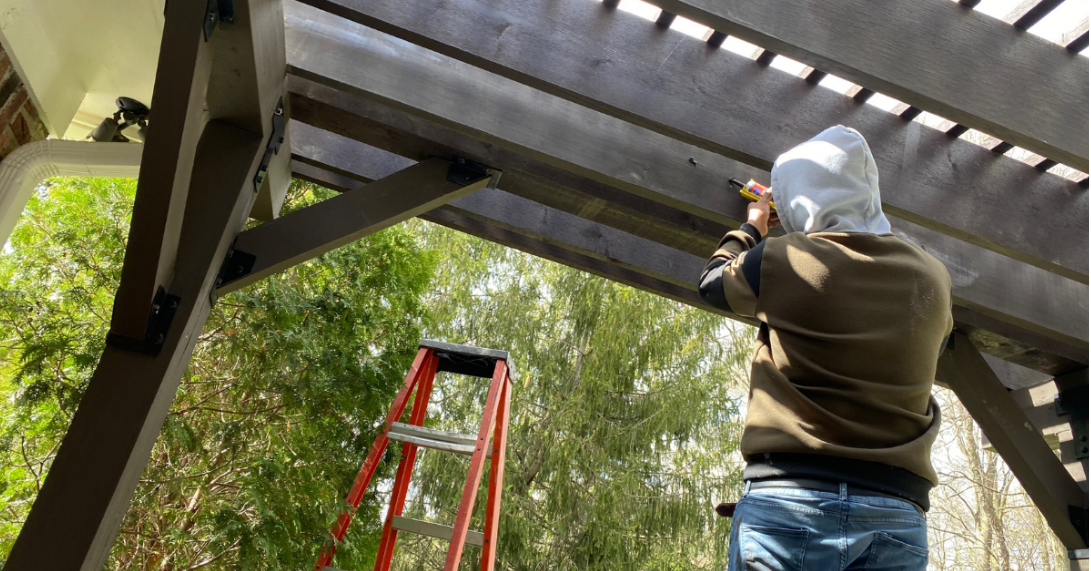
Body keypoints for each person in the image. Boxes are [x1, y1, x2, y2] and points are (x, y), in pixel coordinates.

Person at [698, 125, 953, 571]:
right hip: (896, 508)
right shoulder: (932, 275)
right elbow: (940, 345)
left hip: (790, 497)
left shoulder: (784, 258)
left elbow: (712, 285)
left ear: (795, 199)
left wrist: (752, 228)